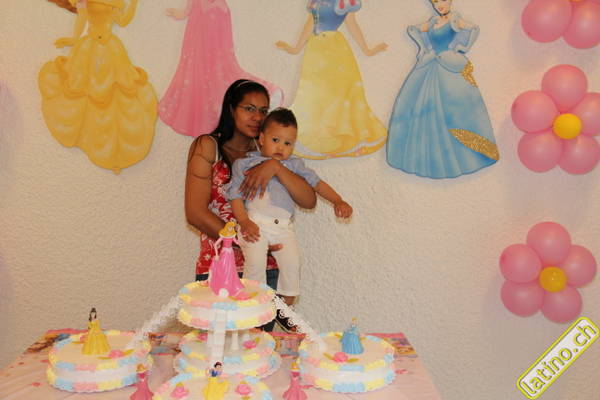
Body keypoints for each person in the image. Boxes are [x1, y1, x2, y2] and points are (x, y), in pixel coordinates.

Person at [185, 79, 317, 329]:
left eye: (263, 110)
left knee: (256, 348)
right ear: (231, 109)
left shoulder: (271, 150)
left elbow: (309, 200)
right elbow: (195, 213)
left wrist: (275, 167)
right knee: (219, 348)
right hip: (221, 268)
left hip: (265, 270)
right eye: (249, 108)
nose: (257, 117)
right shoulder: (208, 146)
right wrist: (247, 240)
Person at [227, 108, 353, 331]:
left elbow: (317, 184)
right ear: (262, 138)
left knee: (293, 264)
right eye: (275, 140)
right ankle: (253, 305)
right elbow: (235, 196)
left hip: (284, 228)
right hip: (255, 224)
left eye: (287, 143)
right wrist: (244, 221)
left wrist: (338, 200)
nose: (281, 148)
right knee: (255, 263)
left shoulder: (294, 166)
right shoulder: (244, 164)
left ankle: (284, 305)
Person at [39, 0, 157, 174]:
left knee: (117, 91)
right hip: (90, 47)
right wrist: (73, 39)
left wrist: (134, 2)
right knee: (85, 91)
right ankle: (89, 135)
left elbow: (123, 21)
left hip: (111, 48)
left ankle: (117, 149)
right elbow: (82, 18)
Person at [386, 0, 499, 179]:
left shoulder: (455, 20)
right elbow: (413, 29)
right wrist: (424, 48)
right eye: (435, 1)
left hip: (448, 66)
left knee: (453, 108)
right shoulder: (432, 22)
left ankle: (466, 155)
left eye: (443, 0)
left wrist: (462, 47)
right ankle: (429, 157)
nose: (439, 5)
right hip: (431, 64)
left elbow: (474, 28)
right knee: (424, 107)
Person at [276, 0, 387, 159]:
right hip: (315, 49)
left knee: (338, 93)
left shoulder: (344, 2)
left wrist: (367, 50)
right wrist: (295, 48)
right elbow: (310, 24)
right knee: (313, 93)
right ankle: (316, 135)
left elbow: (352, 25)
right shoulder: (315, 2)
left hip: (335, 49)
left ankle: (340, 134)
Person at [161, 0, 283, 137]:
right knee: (203, 71)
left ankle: (268, 92)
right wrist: (186, 11)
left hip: (214, 14)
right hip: (202, 16)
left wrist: (188, 11)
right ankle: (215, 117)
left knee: (221, 68)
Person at [208, 221, 244, 297]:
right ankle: (222, 284)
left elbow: (237, 242)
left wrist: (241, 238)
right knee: (223, 268)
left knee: (231, 268)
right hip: (225, 253)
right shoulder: (223, 235)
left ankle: (231, 284)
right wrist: (216, 254)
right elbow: (215, 244)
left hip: (230, 253)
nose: (231, 229)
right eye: (230, 227)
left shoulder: (232, 235)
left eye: (232, 228)